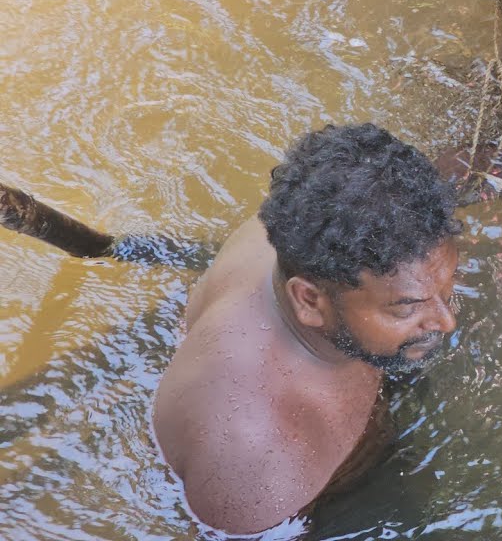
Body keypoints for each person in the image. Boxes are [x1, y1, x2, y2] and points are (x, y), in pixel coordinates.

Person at [151, 123, 463, 534]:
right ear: (309, 301)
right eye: (406, 308)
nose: (447, 320)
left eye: (447, 285)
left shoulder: (308, 231)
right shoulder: (255, 459)